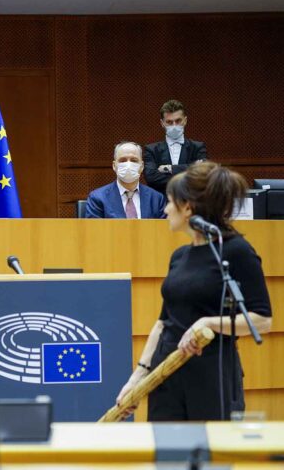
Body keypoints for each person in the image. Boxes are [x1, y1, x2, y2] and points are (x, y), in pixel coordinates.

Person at [116, 162, 272, 421]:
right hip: (165, 374)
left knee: (212, 457)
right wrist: (138, 377)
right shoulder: (179, 256)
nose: (165, 209)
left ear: (187, 207)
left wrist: (207, 322)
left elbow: (263, 320)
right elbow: (163, 323)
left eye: (169, 201)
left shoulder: (236, 251)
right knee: (166, 456)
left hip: (212, 375)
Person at [85, 142, 166, 219]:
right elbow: (94, 231)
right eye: (122, 160)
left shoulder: (156, 199)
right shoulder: (98, 198)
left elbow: (162, 231)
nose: (128, 165)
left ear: (141, 166)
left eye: (134, 160)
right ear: (114, 166)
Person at [143, 100, 207, 195]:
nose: (174, 126)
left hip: (191, 203)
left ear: (185, 120)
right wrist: (191, 170)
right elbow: (151, 178)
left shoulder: (198, 147)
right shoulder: (151, 150)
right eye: (169, 122)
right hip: (162, 205)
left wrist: (170, 168)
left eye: (178, 121)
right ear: (162, 123)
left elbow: (204, 173)